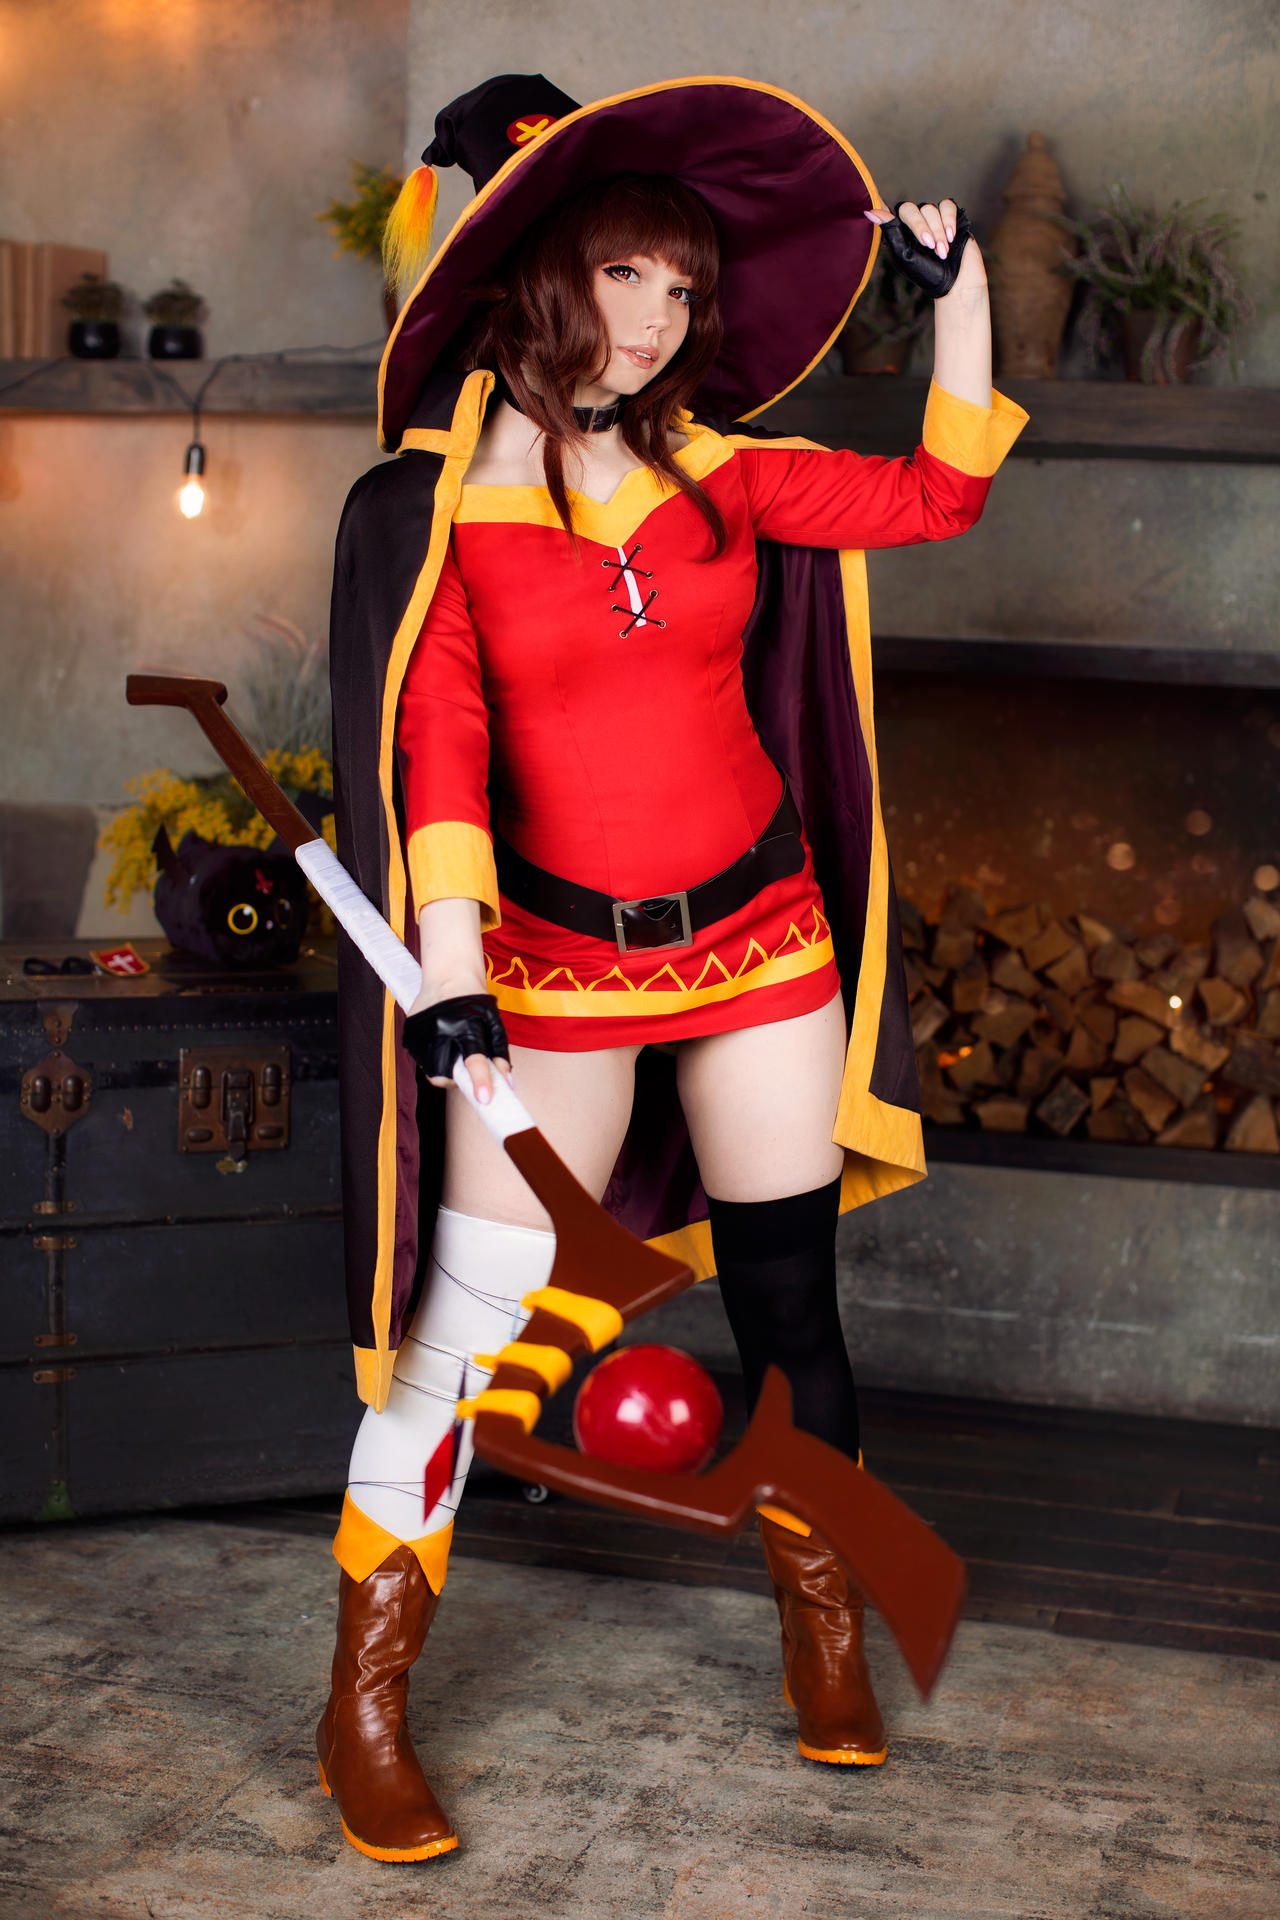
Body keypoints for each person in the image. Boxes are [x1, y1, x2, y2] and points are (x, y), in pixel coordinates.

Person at [319, 72, 1028, 1863]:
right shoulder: (433, 513)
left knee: (794, 1319)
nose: (652, 320)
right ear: (537, 270)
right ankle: (366, 1706)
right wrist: (456, 976)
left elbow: (940, 495)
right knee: (462, 1343)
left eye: (681, 287)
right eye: (623, 275)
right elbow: (437, 761)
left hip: (761, 941)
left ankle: (823, 1630)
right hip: (553, 969)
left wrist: (961, 305)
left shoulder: (721, 470)